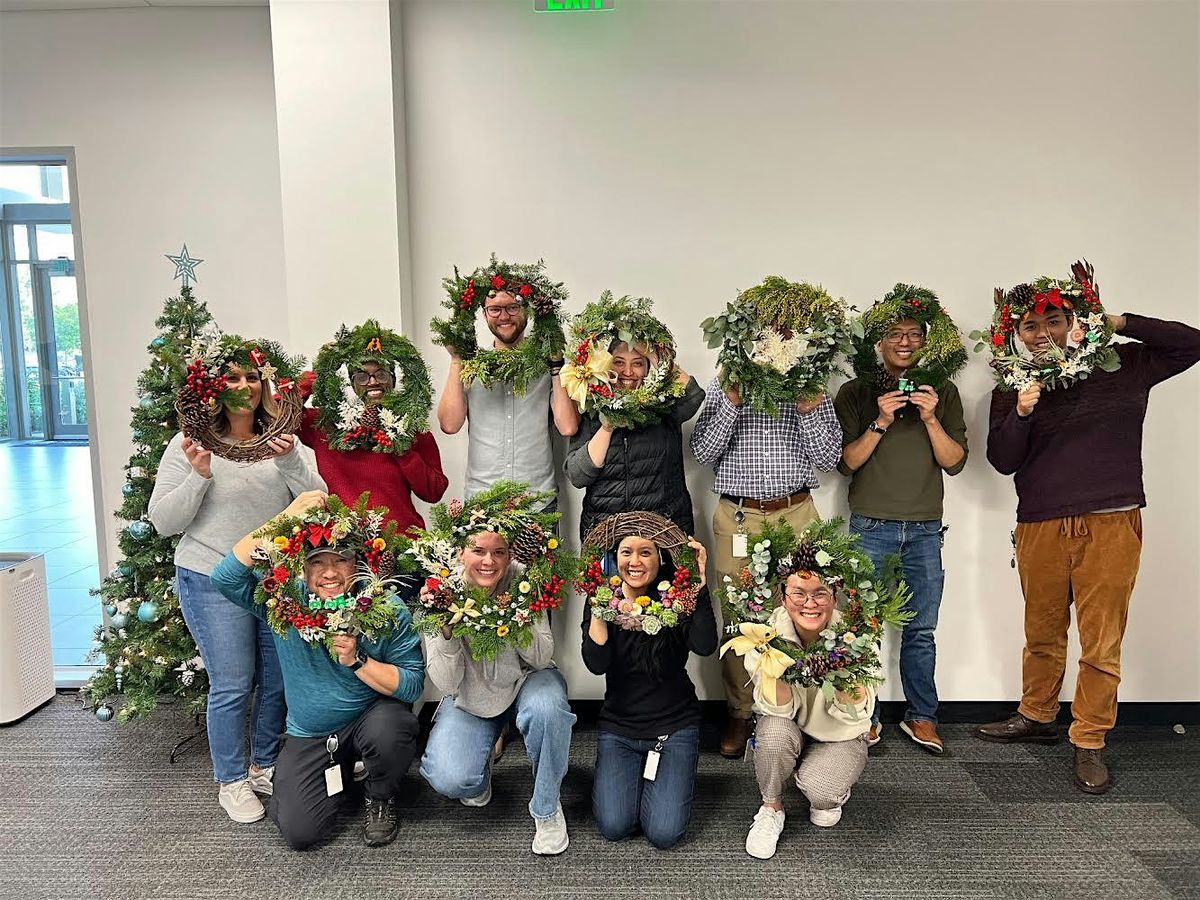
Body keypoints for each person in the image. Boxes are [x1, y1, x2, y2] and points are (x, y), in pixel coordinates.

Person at [977, 297, 1200, 794]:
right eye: (1030, 326)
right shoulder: (1013, 384)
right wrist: (1020, 411)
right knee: (1042, 632)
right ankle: (1036, 715)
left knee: (1101, 642)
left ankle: (1090, 738)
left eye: (1052, 320)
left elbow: (1191, 343)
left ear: (1076, 322)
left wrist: (1118, 321)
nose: (1041, 333)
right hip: (1039, 525)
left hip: (1111, 521)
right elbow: (1003, 460)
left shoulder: (1123, 363)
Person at [148, 338, 325, 824]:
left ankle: (264, 763)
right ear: (213, 386)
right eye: (231, 377)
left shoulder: (286, 440)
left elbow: (318, 501)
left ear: (265, 383)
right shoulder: (189, 445)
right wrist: (199, 475)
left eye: (251, 376)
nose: (243, 386)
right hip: (209, 576)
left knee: (278, 680)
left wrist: (290, 461)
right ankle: (230, 780)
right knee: (230, 684)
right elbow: (163, 520)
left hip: (273, 579)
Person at [212, 491, 425, 849]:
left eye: (340, 560)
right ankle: (338, 771)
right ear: (303, 567)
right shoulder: (282, 600)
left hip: (370, 718)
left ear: (357, 562)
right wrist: (285, 518)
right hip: (311, 732)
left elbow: (413, 685)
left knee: (393, 728)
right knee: (300, 833)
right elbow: (225, 577)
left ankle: (380, 795)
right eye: (317, 562)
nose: (329, 573)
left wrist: (359, 661)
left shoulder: (385, 606)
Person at [834, 298, 968, 753]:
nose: (905, 342)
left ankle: (922, 716)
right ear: (879, 342)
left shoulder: (942, 390)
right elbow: (847, 463)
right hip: (869, 527)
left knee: (922, 630)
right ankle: (864, 715)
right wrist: (882, 420)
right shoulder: (855, 392)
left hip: (926, 528)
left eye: (914, 333)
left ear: (927, 341)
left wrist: (930, 416)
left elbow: (954, 462)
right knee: (862, 626)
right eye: (895, 334)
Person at [691, 378, 841, 757]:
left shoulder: (810, 381)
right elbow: (702, 452)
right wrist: (731, 402)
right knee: (738, 616)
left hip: (797, 512)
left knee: (805, 612)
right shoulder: (726, 381)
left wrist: (808, 410)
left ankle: (800, 711)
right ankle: (741, 713)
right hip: (738, 514)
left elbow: (829, 459)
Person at [418, 499, 576, 855]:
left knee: (549, 709)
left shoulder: (522, 580)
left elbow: (541, 657)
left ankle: (547, 807)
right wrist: (447, 633)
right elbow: (444, 683)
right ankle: (481, 766)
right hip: (471, 695)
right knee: (450, 777)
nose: (488, 561)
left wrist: (515, 619)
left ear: (509, 555)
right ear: (461, 552)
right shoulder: (440, 592)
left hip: (527, 681)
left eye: (498, 552)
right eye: (478, 551)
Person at [581, 513, 716, 849]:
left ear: (660, 558)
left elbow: (704, 645)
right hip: (620, 728)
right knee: (615, 826)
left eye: (646, 552)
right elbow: (596, 665)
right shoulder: (603, 599)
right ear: (615, 558)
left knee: (664, 834)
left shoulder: (678, 596)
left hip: (674, 727)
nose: (635, 561)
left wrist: (699, 584)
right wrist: (598, 609)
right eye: (627, 552)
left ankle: (670, 774)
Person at [742, 567, 873, 860]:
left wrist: (843, 670)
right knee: (773, 731)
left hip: (840, 732)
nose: (809, 603)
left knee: (822, 796)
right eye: (799, 593)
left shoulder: (856, 634)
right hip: (789, 725)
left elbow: (855, 714)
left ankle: (825, 782)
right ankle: (771, 806)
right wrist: (777, 661)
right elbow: (775, 709)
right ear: (784, 598)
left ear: (835, 597)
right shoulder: (765, 631)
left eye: (820, 594)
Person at [437, 282, 579, 512]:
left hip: (537, 501)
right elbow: (450, 424)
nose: (504, 316)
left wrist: (556, 365)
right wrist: (456, 360)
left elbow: (568, 427)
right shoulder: (472, 367)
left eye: (513, 307)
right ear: (484, 315)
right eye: (495, 309)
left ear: (527, 310)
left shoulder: (546, 367)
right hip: (482, 502)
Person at [299, 319, 447, 533]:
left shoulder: (413, 428)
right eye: (362, 376)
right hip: (344, 548)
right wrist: (319, 374)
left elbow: (434, 492)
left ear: (393, 379)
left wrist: (402, 448)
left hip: (403, 542)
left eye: (381, 374)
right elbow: (273, 414)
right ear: (351, 383)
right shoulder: (326, 424)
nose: (372, 382)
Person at [565, 342, 704, 540]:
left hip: (664, 531)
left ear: (648, 368)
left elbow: (693, 395)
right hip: (605, 532)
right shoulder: (590, 409)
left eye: (638, 363)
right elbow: (578, 476)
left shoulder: (664, 405)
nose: (628, 372)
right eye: (618, 362)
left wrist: (652, 351)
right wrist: (608, 425)